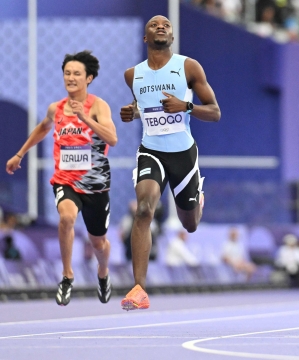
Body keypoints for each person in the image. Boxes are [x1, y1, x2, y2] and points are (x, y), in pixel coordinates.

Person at [119, 15, 221, 311]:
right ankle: (139, 289)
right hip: (151, 149)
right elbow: (146, 108)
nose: (161, 25)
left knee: (189, 224)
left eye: (166, 24)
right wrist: (134, 112)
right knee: (144, 210)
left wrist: (186, 106)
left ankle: (196, 198)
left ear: (172, 37)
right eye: (154, 24)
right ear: (145, 38)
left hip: (183, 154)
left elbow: (215, 112)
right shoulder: (132, 75)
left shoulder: (188, 67)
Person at [5, 50, 116, 306]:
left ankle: (103, 273)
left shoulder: (99, 106)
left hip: (95, 185)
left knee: (99, 243)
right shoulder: (56, 109)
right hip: (65, 179)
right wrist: (20, 154)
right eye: (67, 73)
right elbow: (43, 128)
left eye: (77, 73)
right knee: (66, 217)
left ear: (88, 78)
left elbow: (112, 139)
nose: (71, 78)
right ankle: (67, 275)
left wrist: (85, 118)